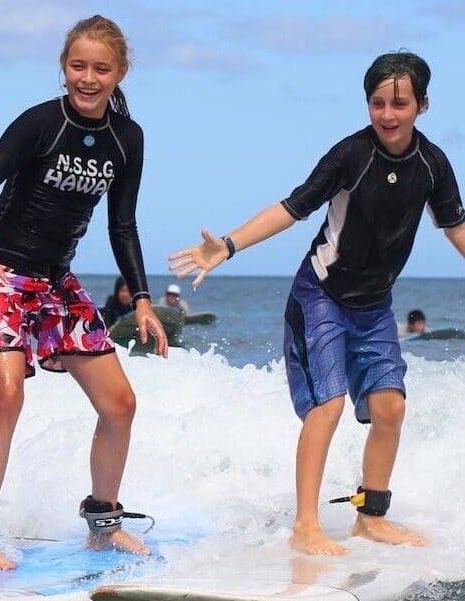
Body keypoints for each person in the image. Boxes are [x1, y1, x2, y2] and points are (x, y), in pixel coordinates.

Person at [168, 52, 465, 556]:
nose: (388, 115)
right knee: (326, 406)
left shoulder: (432, 164)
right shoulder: (352, 155)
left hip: (373, 306)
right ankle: (306, 524)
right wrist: (228, 244)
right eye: (377, 103)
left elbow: (456, 228)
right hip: (320, 296)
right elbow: (292, 208)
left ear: (422, 104)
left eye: (400, 104)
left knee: (390, 406)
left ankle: (370, 517)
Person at [0, 15, 167, 571]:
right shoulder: (41, 123)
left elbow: (122, 225)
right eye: (78, 66)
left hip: (56, 282)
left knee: (120, 404)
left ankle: (103, 525)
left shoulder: (127, 139)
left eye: (101, 68)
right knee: (6, 395)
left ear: (121, 72)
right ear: (63, 67)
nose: (89, 78)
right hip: (0, 273)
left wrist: (142, 299)